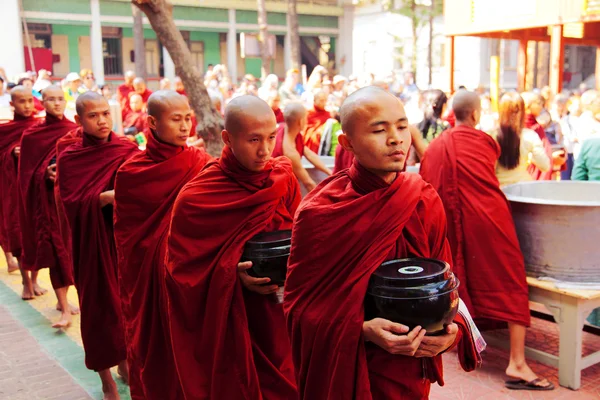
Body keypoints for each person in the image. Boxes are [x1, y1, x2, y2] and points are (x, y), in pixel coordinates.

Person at [284, 86, 480, 399]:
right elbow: (298, 310)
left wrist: (452, 329)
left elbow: (445, 283)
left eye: (403, 127)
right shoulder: (321, 213)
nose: (396, 139)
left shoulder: (424, 199)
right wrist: (361, 330)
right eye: (379, 129)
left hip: (409, 370)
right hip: (352, 369)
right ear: (347, 144)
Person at [164, 95, 299, 399]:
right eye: (253, 140)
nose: (265, 150)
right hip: (231, 322)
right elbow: (180, 274)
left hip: (278, 318)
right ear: (227, 138)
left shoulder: (282, 179)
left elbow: (299, 240)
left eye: (270, 138)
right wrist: (231, 273)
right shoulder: (196, 197)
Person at [419, 90, 554, 391]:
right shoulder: (485, 143)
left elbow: (428, 184)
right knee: (512, 277)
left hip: (452, 224)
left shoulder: (437, 146)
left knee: (458, 272)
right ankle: (517, 362)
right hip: (488, 218)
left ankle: (463, 335)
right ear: (477, 115)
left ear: (452, 114)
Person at [114, 91, 212, 399]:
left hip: (190, 274)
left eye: (188, 118)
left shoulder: (201, 162)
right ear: (152, 122)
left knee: (191, 348)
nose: (185, 127)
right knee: (155, 345)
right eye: (176, 119)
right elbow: (129, 238)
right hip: (148, 278)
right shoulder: (132, 173)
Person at [56, 91, 139, 400]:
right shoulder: (70, 157)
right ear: (79, 120)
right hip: (90, 242)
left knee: (124, 305)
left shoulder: (126, 149)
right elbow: (70, 201)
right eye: (93, 116)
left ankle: (126, 363)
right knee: (97, 307)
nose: (102, 120)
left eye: (106, 113)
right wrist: (106, 198)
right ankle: (106, 379)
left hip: (121, 241)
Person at [17, 85, 79, 327]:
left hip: (68, 203)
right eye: (50, 100)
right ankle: (64, 307)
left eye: (59, 99)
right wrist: (45, 173)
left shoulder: (74, 131)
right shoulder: (32, 136)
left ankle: (62, 301)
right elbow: (26, 174)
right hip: (46, 203)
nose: (56, 104)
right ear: (42, 103)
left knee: (71, 252)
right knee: (57, 253)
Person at [0, 87, 41, 288]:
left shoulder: (40, 127)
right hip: (13, 189)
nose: (26, 106)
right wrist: (10, 154)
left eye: (29, 101)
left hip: (34, 190)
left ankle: (34, 280)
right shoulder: (4, 131)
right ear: (12, 104)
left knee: (37, 233)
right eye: (21, 101)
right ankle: (26, 282)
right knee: (19, 231)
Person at [272, 102, 332, 191]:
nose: (307, 121)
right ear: (301, 121)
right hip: (278, 188)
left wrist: (330, 172)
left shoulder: (286, 129)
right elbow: (308, 183)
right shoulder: (289, 152)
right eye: (306, 118)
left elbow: (309, 154)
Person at [493, 92, 550, 187]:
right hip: (522, 189)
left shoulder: (491, 136)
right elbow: (545, 166)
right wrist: (530, 157)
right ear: (523, 111)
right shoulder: (530, 136)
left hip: (499, 189)